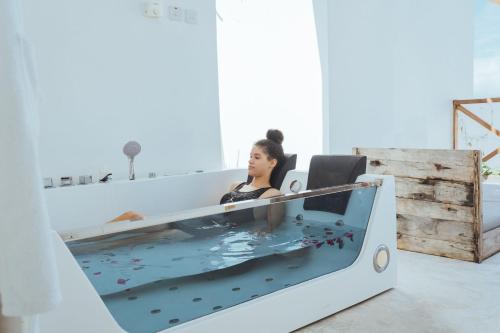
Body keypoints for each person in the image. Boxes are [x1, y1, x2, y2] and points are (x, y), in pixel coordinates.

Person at [220, 129, 284, 204]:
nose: (250, 161)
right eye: (251, 156)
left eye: (257, 157)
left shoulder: (272, 194)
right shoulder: (235, 185)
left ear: (272, 163)